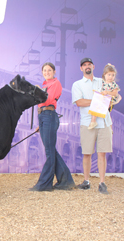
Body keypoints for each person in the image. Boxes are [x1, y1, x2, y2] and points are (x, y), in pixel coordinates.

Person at [29, 62, 75, 192]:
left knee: (49, 151)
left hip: (49, 114)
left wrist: (38, 93)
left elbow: (47, 100)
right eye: (44, 70)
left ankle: (44, 184)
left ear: (54, 72)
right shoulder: (45, 85)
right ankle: (66, 181)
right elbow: (40, 104)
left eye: (49, 70)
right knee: (51, 150)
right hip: (43, 116)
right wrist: (40, 124)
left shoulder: (55, 84)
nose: (47, 72)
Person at [72, 58, 113, 194]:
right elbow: (79, 102)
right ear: (81, 68)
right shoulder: (77, 85)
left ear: (93, 67)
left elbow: (111, 95)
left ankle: (102, 183)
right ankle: (86, 181)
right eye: (84, 65)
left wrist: (109, 97)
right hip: (87, 122)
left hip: (104, 122)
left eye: (89, 64)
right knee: (87, 153)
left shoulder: (102, 82)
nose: (87, 67)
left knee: (102, 153)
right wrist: (98, 99)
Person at [88, 63, 121, 129]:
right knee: (95, 105)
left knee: (105, 108)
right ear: (104, 74)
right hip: (101, 97)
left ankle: (107, 125)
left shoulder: (114, 85)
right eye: (109, 75)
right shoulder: (101, 82)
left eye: (113, 75)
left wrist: (108, 92)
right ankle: (93, 121)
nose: (111, 77)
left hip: (110, 99)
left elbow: (115, 93)